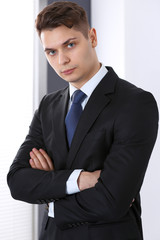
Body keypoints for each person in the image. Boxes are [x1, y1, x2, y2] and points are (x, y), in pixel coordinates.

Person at [7, 1, 159, 240]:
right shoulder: (48, 105)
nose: (62, 60)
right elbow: (18, 182)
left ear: (92, 37)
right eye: (51, 52)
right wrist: (81, 179)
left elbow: (112, 200)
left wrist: (52, 201)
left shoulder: (135, 103)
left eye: (70, 44)